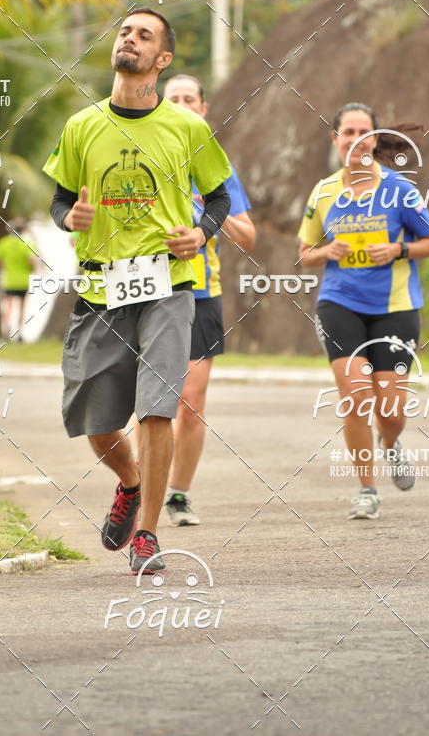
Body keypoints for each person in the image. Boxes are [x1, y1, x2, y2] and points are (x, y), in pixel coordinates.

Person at [43, 7, 231, 574]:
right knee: (94, 421)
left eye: (143, 35)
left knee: (156, 410)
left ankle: (147, 535)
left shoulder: (187, 127)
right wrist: (66, 218)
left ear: (162, 58)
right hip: (102, 288)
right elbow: (57, 201)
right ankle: (129, 482)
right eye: (125, 31)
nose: (129, 39)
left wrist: (200, 233)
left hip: (168, 287)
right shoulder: (82, 126)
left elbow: (219, 199)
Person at [297, 102, 429, 519]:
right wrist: (328, 250)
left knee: (391, 410)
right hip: (340, 302)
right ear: (336, 139)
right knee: (356, 394)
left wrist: (398, 249)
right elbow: (304, 254)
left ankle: (391, 442)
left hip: (395, 307)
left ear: (375, 140)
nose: (356, 139)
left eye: (365, 132)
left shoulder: (400, 190)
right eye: (348, 132)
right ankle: (366, 488)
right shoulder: (324, 192)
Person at [160, 74, 256, 526]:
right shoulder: (144, 155)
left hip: (201, 295)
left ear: (202, 108)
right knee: (147, 403)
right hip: (148, 293)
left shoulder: (215, 166)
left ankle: (178, 495)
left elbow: (248, 237)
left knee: (190, 402)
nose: (180, 105)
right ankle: (140, 485)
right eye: (172, 99)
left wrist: (207, 210)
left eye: (188, 99)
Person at [0, 219, 37, 340]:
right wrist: (31, 267)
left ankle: (6, 330)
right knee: (22, 306)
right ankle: (19, 333)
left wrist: (3, 264)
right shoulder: (27, 243)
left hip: (9, 280)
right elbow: (32, 259)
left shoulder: (4, 243)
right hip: (23, 280)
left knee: (8, 305)